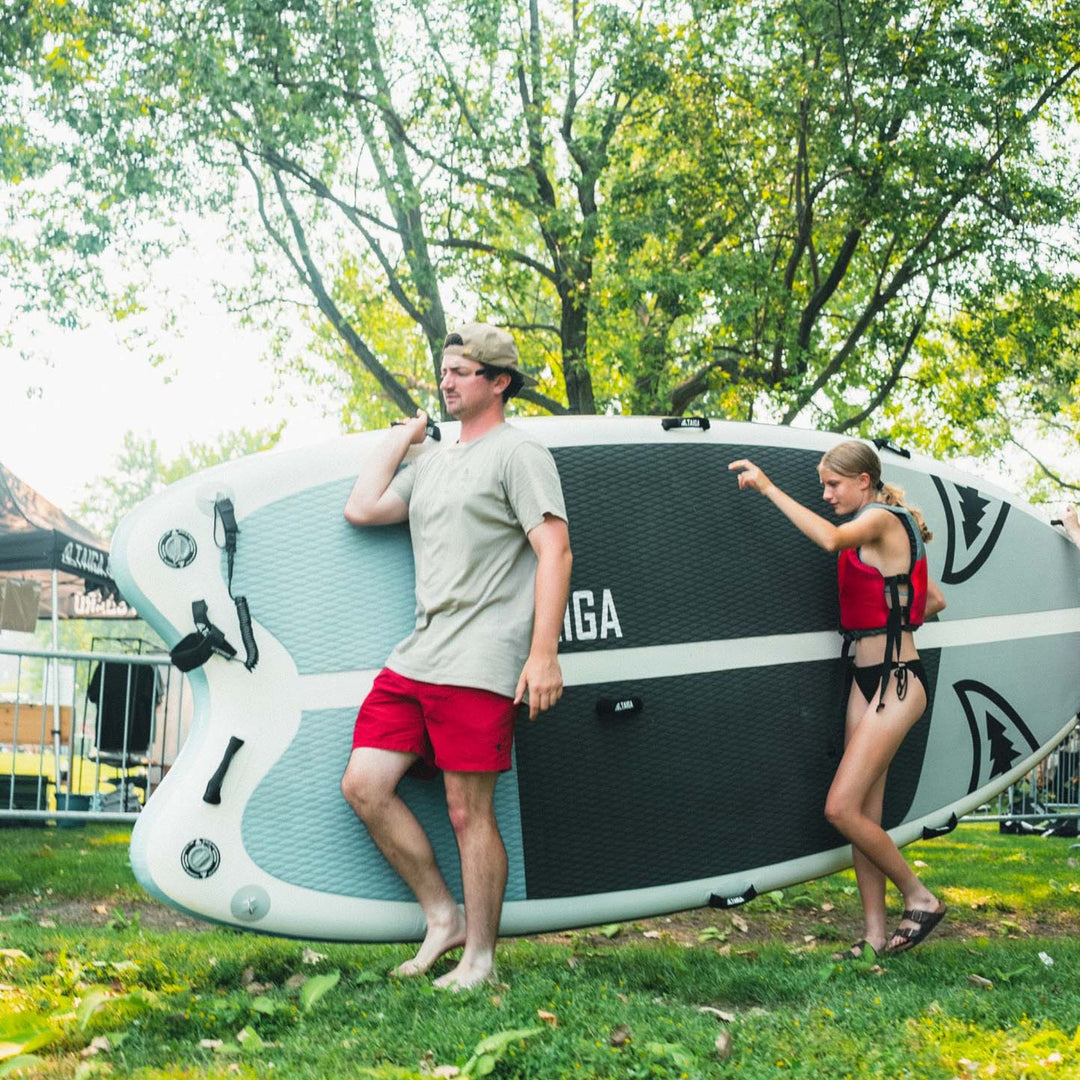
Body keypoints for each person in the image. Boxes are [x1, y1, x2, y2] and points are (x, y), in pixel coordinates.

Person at [340, 323, 572, 990]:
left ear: (499, 383)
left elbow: (554, 551)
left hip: (481, 660)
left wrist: (544, 654)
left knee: (468, 811)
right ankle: (444, 917)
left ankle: (482, 960)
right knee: (364, 784)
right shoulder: (433, 462)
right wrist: (401, 438)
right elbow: (363, 508)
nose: (447, 382)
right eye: (445, 371)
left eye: (463, 372)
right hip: (418, 656)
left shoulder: (519, 455)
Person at [729, 440, 947, 958]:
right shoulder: (878, 530)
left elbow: (828, 540)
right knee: (864, 815)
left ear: (864, 482)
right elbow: (934, 598)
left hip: (896, 680)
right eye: (823, 485)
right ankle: (872, 938)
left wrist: (766, 487)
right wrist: (897, 611)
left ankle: (921, 898)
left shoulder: (880, 519)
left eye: (833, 484)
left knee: (840, 808)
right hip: (864, 680)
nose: (826, 494)